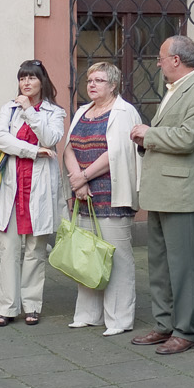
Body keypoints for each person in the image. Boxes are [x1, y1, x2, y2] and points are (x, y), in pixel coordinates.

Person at [129, 34, 194, 355]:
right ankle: (164, 324)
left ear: (176, 61)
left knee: (183, 266)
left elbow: (188, 138)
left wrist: (148, 133)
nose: (158, 63)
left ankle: (186, 330)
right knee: (160, 264)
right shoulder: (176, 89)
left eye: (160, 57)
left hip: (182, 191)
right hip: (162, 189)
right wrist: (147, 140)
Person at [63, 61, 142, 336]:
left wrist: (83, 177)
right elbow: (69, 146)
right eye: (89, 81)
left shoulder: (124, 112)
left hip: (111, 194)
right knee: (86, 256)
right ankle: (88, 314)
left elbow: (118, 152)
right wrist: (77, 180)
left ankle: (119, 319)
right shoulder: (83, 111)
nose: (92, 85)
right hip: (83, 195)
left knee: (117, 258)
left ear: (113, 85)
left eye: (98, 81)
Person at [0, 59, 65, 327]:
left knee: (36, 249)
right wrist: (33, 151)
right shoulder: (8, 109)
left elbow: (50, 139)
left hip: (39, 189)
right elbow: (2, 139)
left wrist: (30, 113)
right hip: (12, 188)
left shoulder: (54, 112)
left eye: (31, 78)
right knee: (8, 249)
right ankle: (7, 308)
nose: (26, 83)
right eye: (22, 78)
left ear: (42, 81)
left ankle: (32, 305)